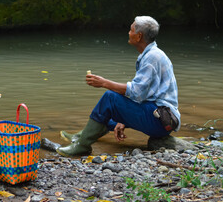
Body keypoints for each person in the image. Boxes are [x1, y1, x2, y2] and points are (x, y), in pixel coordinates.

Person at [57, 16, 180, 157]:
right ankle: (81, 137)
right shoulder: (151, 54)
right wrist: (122, 119)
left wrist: (104, 83)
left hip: (161, 121)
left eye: (131, 29)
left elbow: (136, 92)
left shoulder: (152, 58)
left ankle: (82, 145)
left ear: (139, 36)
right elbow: (144, 94)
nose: (128, 32)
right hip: (159, 116)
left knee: (110, 99)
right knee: (111, 111)